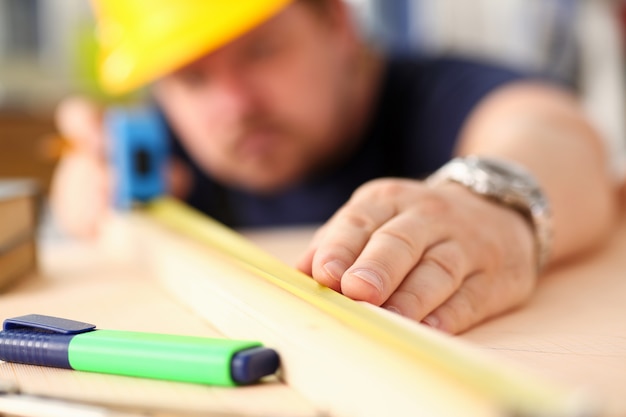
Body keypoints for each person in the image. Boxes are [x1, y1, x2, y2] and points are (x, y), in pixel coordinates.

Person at [51, 0, 619, 334]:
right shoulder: (163, 153)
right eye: (192, 79)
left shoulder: (436, 92)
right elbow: (87, 179)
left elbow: (557, 137)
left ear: (338, 26)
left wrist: (492, 207)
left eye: (261, 50)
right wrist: (84, 189)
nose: (235, 106)